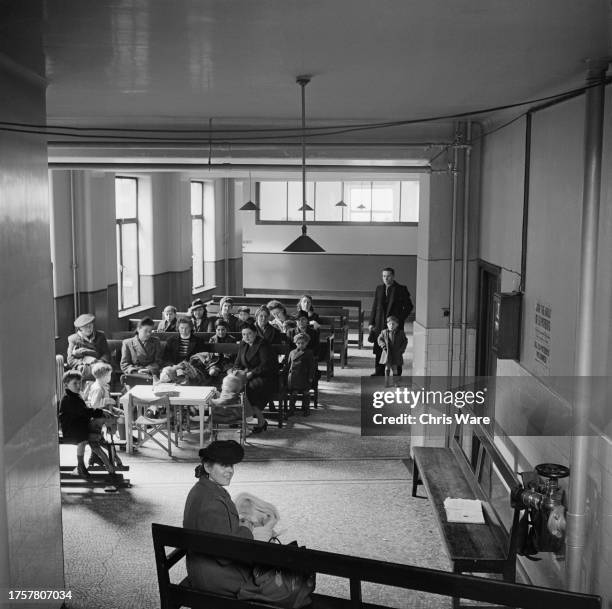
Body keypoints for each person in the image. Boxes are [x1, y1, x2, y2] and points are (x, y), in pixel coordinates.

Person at [184, 441, 314, 608]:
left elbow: (218, 534)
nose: (230, 470)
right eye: (224, 465)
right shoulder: (212, 502)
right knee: (287, 587)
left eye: (231, 465)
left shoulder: (203, 489)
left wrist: (244, 525)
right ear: (208, 467)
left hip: (203, 567)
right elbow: (226, 555)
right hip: (215, 577)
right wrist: (248, 528)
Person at [58, 370, 118, 487]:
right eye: (75, 383)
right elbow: (84, 411)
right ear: (66, 385)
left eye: (79, 383)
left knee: (95, 429)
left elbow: (84, 409)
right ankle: (80, 465)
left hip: (78, 423)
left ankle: (94, 457)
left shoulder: (74, 395)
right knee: (83, 440)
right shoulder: (68, 399)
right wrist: (101, 411)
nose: (78, 386)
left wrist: (100, 411)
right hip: (71, 428)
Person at [233, 323, 278, 433]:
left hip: (264, 376)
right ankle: (241, 419)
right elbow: (237, 362)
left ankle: (256, 421)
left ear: (256, 333)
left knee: (249, 389)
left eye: (249, 334)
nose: (246, 337)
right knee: (233, 386)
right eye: (244, 334)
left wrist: (251, 373)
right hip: (247, 375)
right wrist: (235, 371)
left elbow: (265, 365)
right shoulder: (243, 344)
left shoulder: (263, 344)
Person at [368, 267, 413, 376]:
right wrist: (371, 323)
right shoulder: (379, 289)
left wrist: (399, 319)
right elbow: (375, 306)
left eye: (388, 276)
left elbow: (409, 306)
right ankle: (379, 372)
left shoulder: (401, 289)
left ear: (393, 276)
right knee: (380, 347)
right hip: (380, 323)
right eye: (383, 276)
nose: (385, 278)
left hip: (394, 325)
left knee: (395, 349)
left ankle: (397, 375)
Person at [66, 313, 111, 379]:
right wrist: (82, 364)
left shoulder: (100, 336)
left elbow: (106, 353)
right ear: (80, 328)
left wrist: (100, 362)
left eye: (91, 325)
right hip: (83, 367)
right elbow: (70, 360)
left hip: (99, 365)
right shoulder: (73, 339)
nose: (89, 328)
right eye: (86, 327)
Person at [160, 317, 202, 383]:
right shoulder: (171, 340)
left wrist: (186, 366)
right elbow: (166, 358)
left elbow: (200, 358)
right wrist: (174, 366)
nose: (184, 330)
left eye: (186, 328)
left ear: (191, 328)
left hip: (191, 368)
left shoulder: (199, 341)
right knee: (165, 374)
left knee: (184, 377)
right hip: (174, 366)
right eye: (181, 328)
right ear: (178, 328)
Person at [284, 333, 316, 416]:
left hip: (304, 377)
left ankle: (306, 409)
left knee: (306, 393)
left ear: (306, 343)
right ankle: (291, 409)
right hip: (293, 378)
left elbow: (312, 366)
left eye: (303, 343)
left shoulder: (309, 353)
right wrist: (286, 376)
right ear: (295, 343)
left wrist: (310, 377)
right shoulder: (292, 352)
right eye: (298, 343)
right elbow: (288, 365)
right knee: (293, 393)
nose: (300, 345)